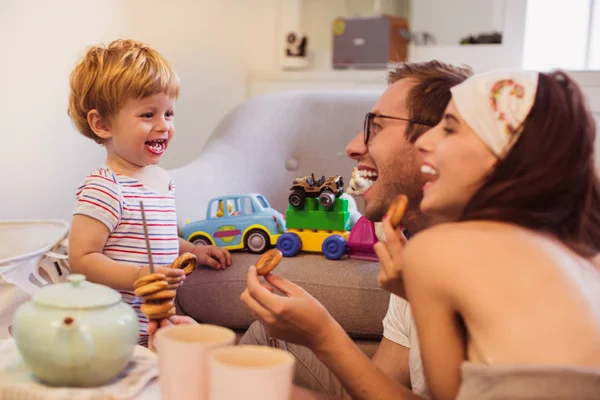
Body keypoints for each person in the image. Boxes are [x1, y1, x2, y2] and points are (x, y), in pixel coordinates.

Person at [147, 60, 472, 397]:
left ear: (437, 142)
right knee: (262, 339)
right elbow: (381, 388)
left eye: (376, 127)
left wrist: (323, 335)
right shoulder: (414, 252)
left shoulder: (490, 271)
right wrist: (207, 358)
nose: (353, 147)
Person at [376, 70, 600, 399]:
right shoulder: (585, 261)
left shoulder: (435, 250)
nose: (424, 141)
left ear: (503, 155)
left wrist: (321, 334)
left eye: (450, 128)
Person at [67, 39, 231, 347]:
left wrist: (192, 250)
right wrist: (139, 276)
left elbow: (158, 238)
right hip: (110, 330)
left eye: (168, 114)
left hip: (155, 325)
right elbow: (82, 259)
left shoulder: (162, 180)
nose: (163, 126)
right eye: (147, 115)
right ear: (102, 124)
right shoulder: (105, 187)